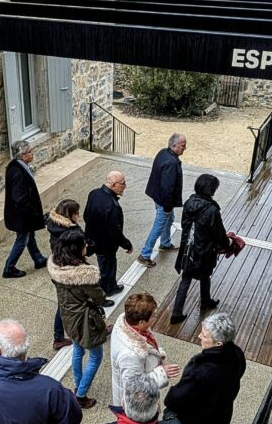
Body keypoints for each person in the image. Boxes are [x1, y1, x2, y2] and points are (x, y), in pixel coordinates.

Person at [48, 228, 108, 409]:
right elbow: (100, 298)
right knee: (96, 356)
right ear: (77, 248)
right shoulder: (84, 276)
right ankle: (80, 394)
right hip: (85, 321)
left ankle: (77, 383)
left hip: (68, 317)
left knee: (77, 349)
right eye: (84, 244)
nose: (87, 246)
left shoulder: (57, 266)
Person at [170, 174, 234, 325]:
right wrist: (228, 243)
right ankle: (205, 301)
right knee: (205, 275)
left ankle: (176, 313)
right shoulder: (212, 210)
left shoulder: (189, 203)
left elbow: (185, 225)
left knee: (185, 279)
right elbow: (218, 233)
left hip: (188, 248)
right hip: (204, 249)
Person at [110, 292, 180, 409]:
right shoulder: (130, 355)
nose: (155, 318)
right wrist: (161, 373)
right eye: (153, 316)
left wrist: (158, 356)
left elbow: (147, 346)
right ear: (141, 322)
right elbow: (133, 388)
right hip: (137, 407)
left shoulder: (126, 322)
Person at [44, 198, 91, 350]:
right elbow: (79, 251)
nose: (79, 215)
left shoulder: (54, 226)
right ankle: (64, 336)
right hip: (70, 272)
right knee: (78, 302)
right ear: (70, 215)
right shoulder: (72, 232)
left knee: (63, 303)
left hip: (58, 270)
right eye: (77, 212)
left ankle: (59, 337)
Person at [137, 133, 186, 268]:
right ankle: (145, 254)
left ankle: (165, 243)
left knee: (169, 219)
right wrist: (167, 206)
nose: (185, 148)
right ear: (174, 145)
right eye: (183, 146)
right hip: (164, 200)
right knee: (160, 224)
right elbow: (167, 187)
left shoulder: (163, 153)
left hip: (157, 196)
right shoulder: (171, 162)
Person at [2, 139, 47, 278]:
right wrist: (32, 213)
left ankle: (38, 259)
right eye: (29, 152)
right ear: (22, 155)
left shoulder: (16, 166)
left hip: (21, 215)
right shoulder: (17, 173)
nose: (32, 154)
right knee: (22, 239)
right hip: (21, 216)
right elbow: (20, 198)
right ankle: (9, 268)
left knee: (29, 236)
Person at [84, 170, 133, 296]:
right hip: (106, 244)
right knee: (107, 267)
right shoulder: (112, 205)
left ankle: (110, 286)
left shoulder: (94, 193)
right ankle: (107, 290)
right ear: (113, 185)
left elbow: (86, 216)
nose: (125, 186)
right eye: (122, 184)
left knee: (105, 265)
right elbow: (115, 231)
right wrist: (127, 244)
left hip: (94, 240)